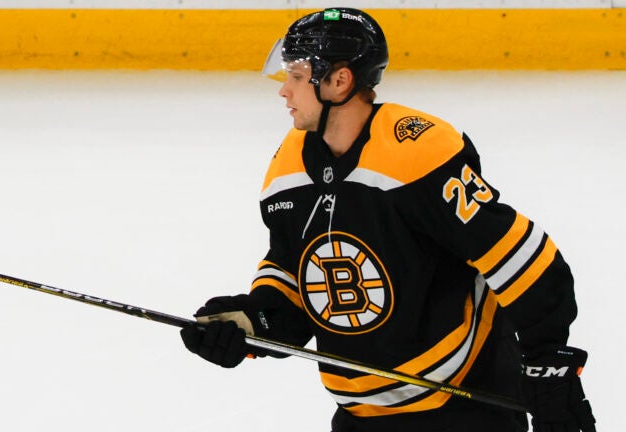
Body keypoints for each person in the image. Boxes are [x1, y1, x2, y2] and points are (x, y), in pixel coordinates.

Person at [180, 7, 596, 432]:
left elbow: (525, 258)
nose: (284, 91)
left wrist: (548, 367)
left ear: (338, 81)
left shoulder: (416, 154)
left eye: (296, 76)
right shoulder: (287, 169)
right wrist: (251, 322)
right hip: (360, 418)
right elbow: (296, 273)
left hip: (464, 410)